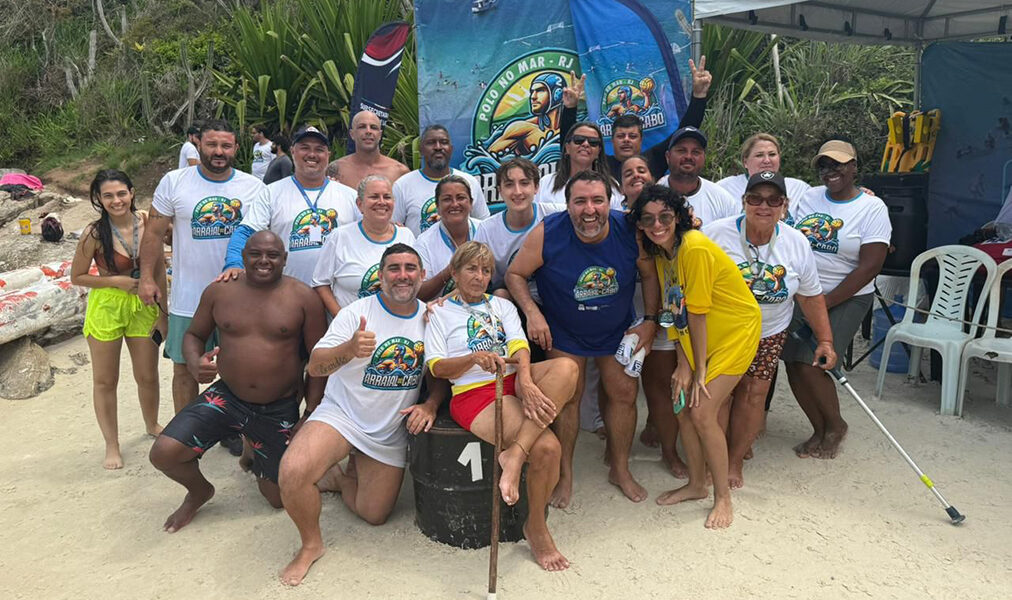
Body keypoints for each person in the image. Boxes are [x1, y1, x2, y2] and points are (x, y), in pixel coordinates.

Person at [278, 244, 443, 586]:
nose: (402, 275)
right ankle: (311, 544)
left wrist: (430, 404)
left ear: (422, 275)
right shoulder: (356, 313)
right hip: (342, 416)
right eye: (394, 268)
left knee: (374, 514)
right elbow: (317, 365)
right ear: (380, 276)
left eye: (410, 268)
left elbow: (439, 374)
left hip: (388, 430)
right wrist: (349, 348)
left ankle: (339, 478)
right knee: (292, 472)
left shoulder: (432, 317)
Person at [148, 231, 327, 533]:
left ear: (285, 259)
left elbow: (318, 362)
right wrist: (195, 362)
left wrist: (309, 414)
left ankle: (253, 447)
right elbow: (194, 335)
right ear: (243, 257)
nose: (264, 260)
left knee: (276, 499)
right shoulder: (220, 292)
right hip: (228, 398)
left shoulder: (304, 298)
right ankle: (200, 491)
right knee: (164, 453)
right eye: (255, 254)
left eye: (272, 255)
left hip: (277, 407)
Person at [506, 170, 660, 507]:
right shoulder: (548, 232)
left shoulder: (628, 229)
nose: (589, 210)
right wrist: (533, 313)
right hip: (565, 330)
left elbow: (649, 275)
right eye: (580, 201)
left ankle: (619, 468)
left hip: (616, 330)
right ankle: (565, 474)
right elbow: (515, 274)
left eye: (597, 200)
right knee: (567, 399)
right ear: (567, 205)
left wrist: (650, 321)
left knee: (624, 393)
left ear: (610, 202)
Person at [426, 241, 578, 571]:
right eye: (471, 269)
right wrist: (471, 359)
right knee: (548, 448)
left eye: (485, 271)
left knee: (567, 368)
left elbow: (519, 345)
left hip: (512, 378)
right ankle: (536, 527)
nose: (479, 277)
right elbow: (437, 367)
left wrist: (526, 379)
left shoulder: (501, 305)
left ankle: (515, 456)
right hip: (474, 392)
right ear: (454, 273)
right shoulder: (439, 313)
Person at [629, 184, 761, 529]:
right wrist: (683, 364)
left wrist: (697, 368)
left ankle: (723, 497)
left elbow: (697, 313)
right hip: (701, 336)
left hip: (735, 333)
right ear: (640, 224)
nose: (658, 225)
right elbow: (675, 309)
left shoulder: (694, 248)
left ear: (678, 217)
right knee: (681, 405)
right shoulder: (663, 253)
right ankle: (696, 484)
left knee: (701, 411)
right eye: (648, 219)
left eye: (665, 216)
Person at [702, 171, 836, 488]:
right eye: (756, 199)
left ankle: (734, 461)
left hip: (769, 332)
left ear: (784, 206)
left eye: (773, 200)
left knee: (754, 394)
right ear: (743, 202)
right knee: (720, 397)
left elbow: (810, 295)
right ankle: (714, 460)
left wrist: (825, 340)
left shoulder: (796, 242)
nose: (764, 206)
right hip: (724, 332)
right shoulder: (714, 235)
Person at [138, 119, 270, 418]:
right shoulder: (174, 181)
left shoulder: (254, 187)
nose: (219, 151)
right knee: (185, 369)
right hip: (188, 297)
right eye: (212, 144)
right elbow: (154, 234)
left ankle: (232, 431)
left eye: (226, 145)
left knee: (239, 370)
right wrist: (146, 278)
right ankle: (184, 434)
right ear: (198, 144)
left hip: (239, 298)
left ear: (236, 148)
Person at [783, 139, 891, 459]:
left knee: (813, 364)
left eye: (839, 164)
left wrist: (824, 303)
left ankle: (835, 426)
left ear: (854, 166)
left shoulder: (872, 208)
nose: (831, 171)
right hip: (804, 294)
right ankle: (819, 428)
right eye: (824, 165)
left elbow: (870, 266)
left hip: (847, 296)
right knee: (793, 362)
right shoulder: (808, 196)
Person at [71, 170, 167, 470]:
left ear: (132, 192)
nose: (116, 201)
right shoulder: (94, 233)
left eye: (121, 193)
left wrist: (164, 314)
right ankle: (111, 444)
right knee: (105, 379)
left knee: (147, 374)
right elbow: (77, 276)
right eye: (108, 195)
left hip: (144, 304)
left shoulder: (148, 221)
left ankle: (152, 424)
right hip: (108, 307)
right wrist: (115, 281)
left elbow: (160, 268)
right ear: (99, 199)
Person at [220, 125, 359, 286]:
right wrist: (234, 263)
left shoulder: (350, 196)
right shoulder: (271, 193)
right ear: (292, 151)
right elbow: (246, 231)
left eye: (319, 149)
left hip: (337, 294)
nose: (312, 154)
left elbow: (371, 234)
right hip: (288, 294)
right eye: (304, 148)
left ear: (328, 155)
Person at [559, 56, 713, 180]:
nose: (626, 140)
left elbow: (685, 130)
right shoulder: (599, 164)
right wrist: (570, 108)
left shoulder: (654, 160)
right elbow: (570, 143)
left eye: (632, 136)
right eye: (621, 136)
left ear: (641, 140)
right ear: (612, 140)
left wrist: (699, 96)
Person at [312, 175, 415, 316]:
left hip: (396, 323)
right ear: (360, 204)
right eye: (374, 197)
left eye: (387, 197)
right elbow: (320, 283)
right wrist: (343, 319)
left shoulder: (406, 235)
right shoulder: (340, 237)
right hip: (352, 326)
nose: (381, 202)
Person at [474, 157, 563, 297]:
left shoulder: (557, 214)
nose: (517, 192)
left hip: (555, 295)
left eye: (524, 183)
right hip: (512, 298)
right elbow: (474, 273)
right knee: (500, 294)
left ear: (536, 187)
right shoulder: (486, 230)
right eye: (509, 185)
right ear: (500, 190)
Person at [392, 124, 490, 236]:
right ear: (421, 149)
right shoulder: (403, 185)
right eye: (431, 143)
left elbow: (484, 226)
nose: (438, 147)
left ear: (451, 149)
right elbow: (394, 230)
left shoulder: (470, 182)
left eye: (444, 142)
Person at [716, 133, 812, 225]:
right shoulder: (724, 188)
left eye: (772, 154)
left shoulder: (799, 188)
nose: (767, 160)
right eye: (759, 155)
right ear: (745, 162)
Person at [415, 174, 483, 301]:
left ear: (471, 203)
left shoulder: (485, 229)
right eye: (447, 199)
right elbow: (419, 294)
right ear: (437, 207)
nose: (455, 204)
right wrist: (450, 270)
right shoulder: (424, 242)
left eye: (461, 198)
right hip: (441, 309)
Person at [657, 127, 740, 227]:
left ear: (704, 158)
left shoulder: (723, 200)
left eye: (696, 152)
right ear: (668, 156)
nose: (688, 156)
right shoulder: (653, 194)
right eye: (681, 151)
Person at [534, 122, 621, 208]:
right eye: (578, 140)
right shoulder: (546, 183)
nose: (585, 144)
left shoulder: (612, 186)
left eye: (593, 142)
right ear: (567, 148)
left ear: (599, 152)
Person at [486, 71, 566, 157]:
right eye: (532, 91)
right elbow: (486, 159)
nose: (533, 96)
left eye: (540, 90)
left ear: (557, 94)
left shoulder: (572, 128)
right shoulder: (523, 128)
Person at [334, 111, 410, 189]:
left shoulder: (399, 172)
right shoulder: (337, 170)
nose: (368, 131)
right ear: (352, 134)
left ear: (380, 135)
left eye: (373, 127)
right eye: (362, 127)